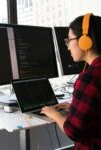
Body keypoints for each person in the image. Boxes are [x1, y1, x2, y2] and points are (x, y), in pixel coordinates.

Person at [41, 13, 101, 150]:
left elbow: (73, 132)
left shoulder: (89, 78)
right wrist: (75, 108)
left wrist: (54, 114)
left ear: (85, 40)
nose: (67, 47)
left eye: (69, 40)